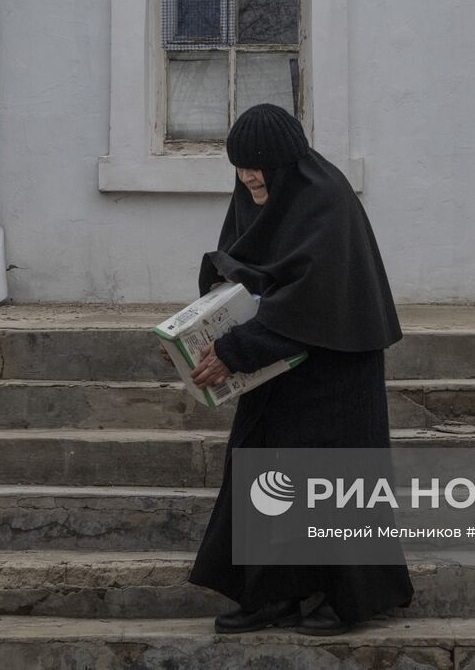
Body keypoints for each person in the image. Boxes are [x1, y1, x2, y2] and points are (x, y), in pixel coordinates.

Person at [183, 103, 414, 636]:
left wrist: (235, 351)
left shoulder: (326, 199)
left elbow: (313, 295)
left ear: (286, 162)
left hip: (336, 368)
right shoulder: (254, 198)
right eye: (239, 165)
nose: (248, 177)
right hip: (278, 367)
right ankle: (272, 597)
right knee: (262, 470)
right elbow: (239, 264)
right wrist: (209, 321)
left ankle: (350, 597)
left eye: (258, 165)